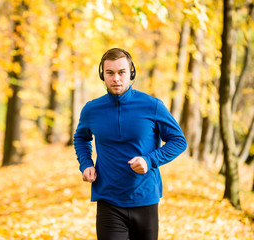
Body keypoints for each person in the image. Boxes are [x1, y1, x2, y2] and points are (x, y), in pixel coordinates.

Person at [73, 48, 187, 240]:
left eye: (121, 72)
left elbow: (178, 141)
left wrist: (149, 160)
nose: (116, 78)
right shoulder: (92, 109)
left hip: (145, 198)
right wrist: (86, 164)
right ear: (103, 75)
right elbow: (81, 138)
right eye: (110, 73)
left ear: (131, 72)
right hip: (108, 199)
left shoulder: (153, 106)